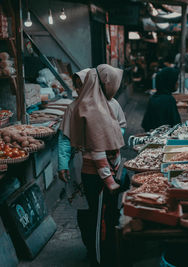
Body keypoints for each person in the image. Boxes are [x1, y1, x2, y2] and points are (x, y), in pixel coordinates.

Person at [68, 64, 125, 266]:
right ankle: (100, 258)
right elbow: (97, 148)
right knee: (100, 218)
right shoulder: (94, 109)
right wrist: (109, 180)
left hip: (103, 172)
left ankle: (103, 251)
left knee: (105, 216)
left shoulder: (99, 105)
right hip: (98, 175)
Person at [141, 67, 181, 132]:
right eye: (175, 81)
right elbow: (176, 125)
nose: (177, 83)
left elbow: (145, 124)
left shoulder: (154, 98)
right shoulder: (169, 100)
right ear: (169, 82)